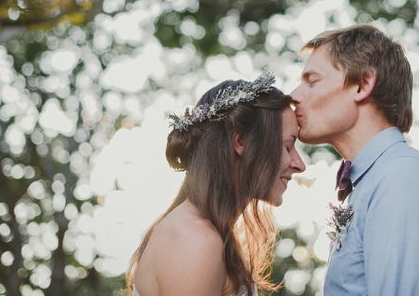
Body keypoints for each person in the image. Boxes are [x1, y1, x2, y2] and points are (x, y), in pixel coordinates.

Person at [290, 24, 419, 295]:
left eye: (312, 81)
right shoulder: (377, 180)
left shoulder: (403, 178)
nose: (293, 95)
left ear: (362, 85)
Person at [126, 72, 306, 296]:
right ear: (241, 141)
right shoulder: (195, 241)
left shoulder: (200, 233)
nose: (299, 165)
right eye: (287, 147)